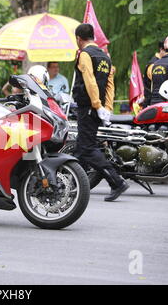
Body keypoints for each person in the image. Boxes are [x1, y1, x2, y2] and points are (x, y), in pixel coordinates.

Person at [72, 23, 129, 202]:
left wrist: (96, 105)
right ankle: (73, 183)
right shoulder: (105, 57)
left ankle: (117, 181)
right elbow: (110, 85)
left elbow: (90, 81)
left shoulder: (85, 55)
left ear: (79, 39)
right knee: (82, 148)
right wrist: (107, 108)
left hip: (88, 107)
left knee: (87, 148)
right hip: (97, 108)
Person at [142, 40, 166, 107]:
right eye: (167, 51)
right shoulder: (154, 64)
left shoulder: (161, 62)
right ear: (161, 49)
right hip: (152, 103)